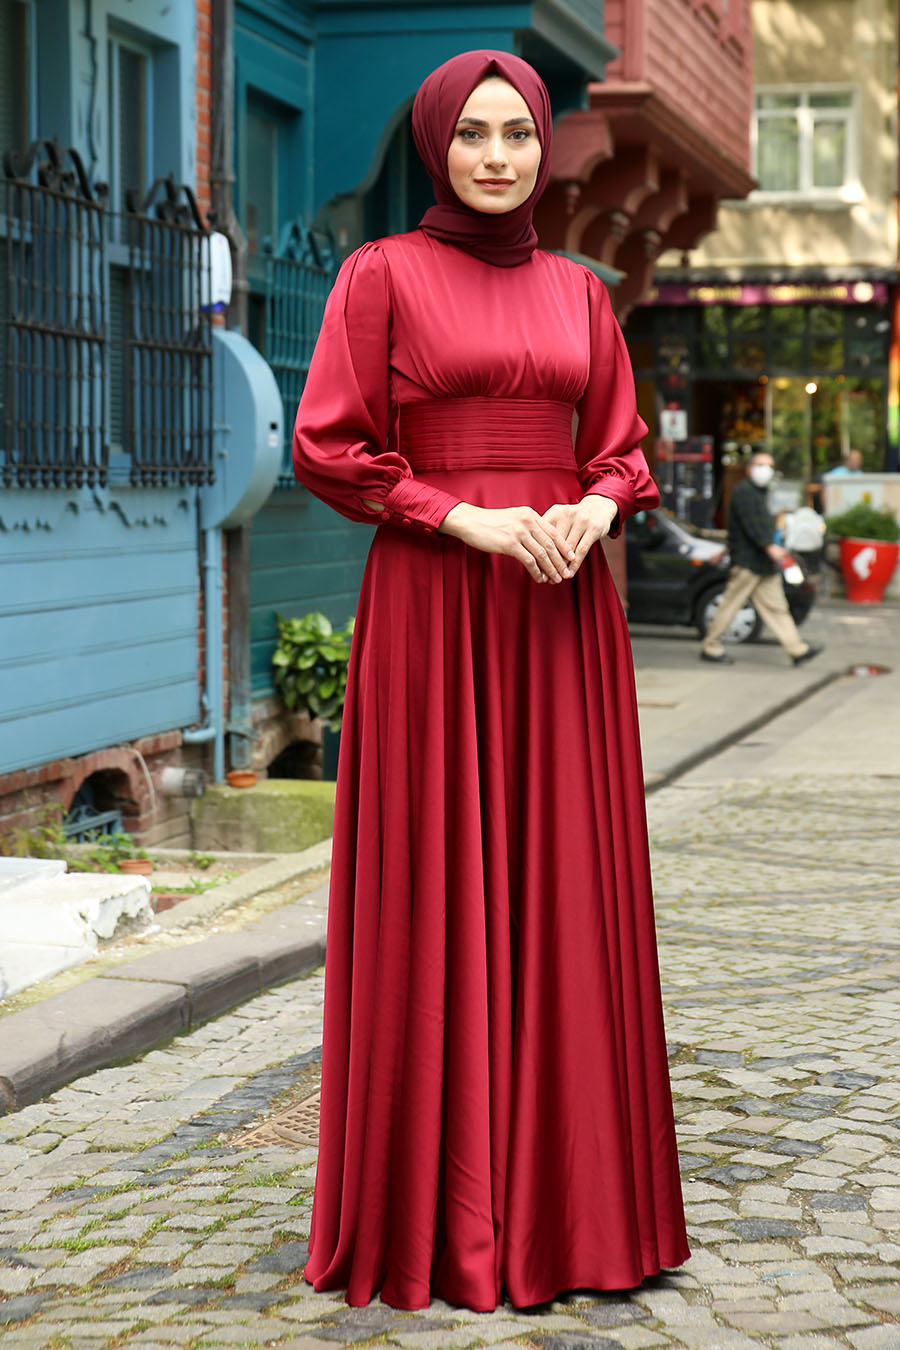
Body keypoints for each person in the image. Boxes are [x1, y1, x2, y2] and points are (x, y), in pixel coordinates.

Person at [293, 50, 689, 1313]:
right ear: (436, 145)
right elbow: (328, 446)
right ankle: (441, 1217)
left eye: (519, 132)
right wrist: (461, 519)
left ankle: (579, 1210)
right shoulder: (381, 275)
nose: (500, 155)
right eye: (473, 134)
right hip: (437, 611)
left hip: (561, 617)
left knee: (564, 880)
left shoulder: (580, 293)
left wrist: (592, 508)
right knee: (441, 880)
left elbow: (620, 450)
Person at [701, 450, 822, 666]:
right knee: (731, 604)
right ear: (750, 469)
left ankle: (798, 650)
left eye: (769, 465)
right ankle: (711, 647)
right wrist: (771, 547)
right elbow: (752, 526)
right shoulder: (745, 492)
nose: (766, 470)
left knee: (777, 608)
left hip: (763, 563)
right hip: (748, 563)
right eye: (761, 464)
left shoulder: (760, 492)